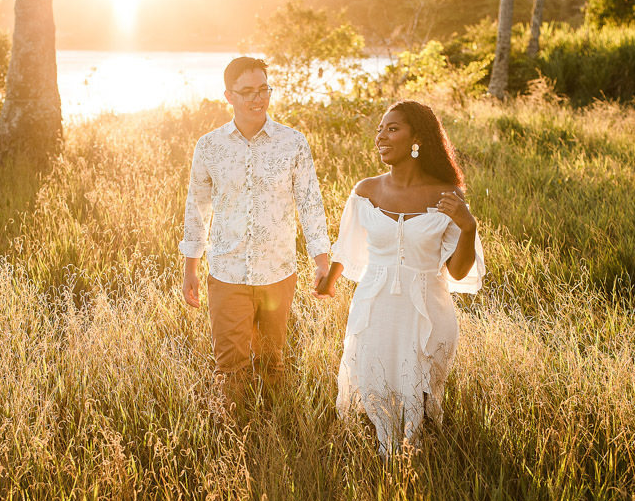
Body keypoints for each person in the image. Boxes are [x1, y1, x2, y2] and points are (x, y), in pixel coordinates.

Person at [316, 100, 484, 457]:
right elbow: (346, 246)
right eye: (379, 129)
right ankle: (384, 459)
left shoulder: (448, 195)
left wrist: (468, 227)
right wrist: (328, 282)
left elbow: (457, 271)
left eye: (392, 129)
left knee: (420, 391)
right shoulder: (366, 190)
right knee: (374, 383)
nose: (381, 136)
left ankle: (418, 460)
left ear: (417, 139)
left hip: (427, 307)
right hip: (375, 305)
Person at [180, 56, 332, 412]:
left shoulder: (293, 143)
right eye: (246, 91)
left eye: (263, 89)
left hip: (278, 273)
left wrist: (321, 262)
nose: (257, 98)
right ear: (229, 96)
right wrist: (191, 267)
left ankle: (275, 435)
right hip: (227, 272)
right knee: (230, 370)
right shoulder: (209, 146)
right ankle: (236, 445)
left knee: (273, 363)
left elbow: (311, 203)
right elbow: (197, 208)